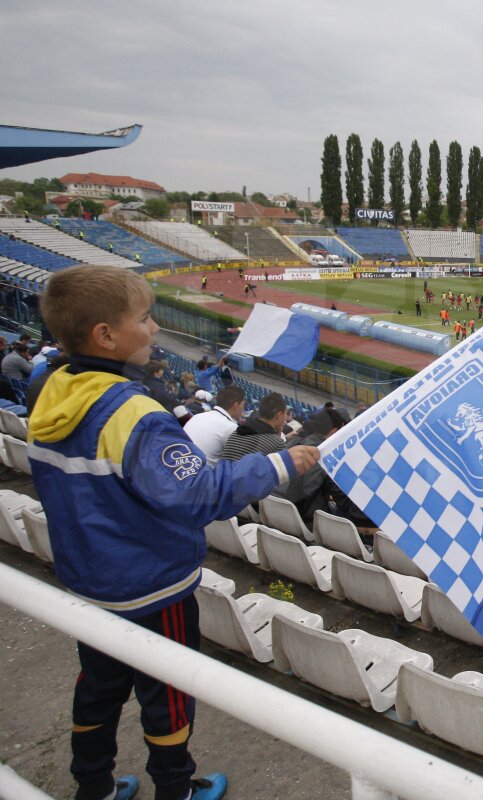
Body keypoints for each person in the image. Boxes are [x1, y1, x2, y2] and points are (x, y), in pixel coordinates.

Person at [29, 264, 319, 800]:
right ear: (106, 335)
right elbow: (198, 495)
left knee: (97, 690)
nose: (156, 328)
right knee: (167, 694)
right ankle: (176, 789)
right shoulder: (135, 414)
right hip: (150, 584)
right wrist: (279, 466)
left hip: (89, 582)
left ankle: (91, 787)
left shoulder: (50, 391)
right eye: (144, 318)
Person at [218, 392, 292, 462]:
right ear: (279, 415)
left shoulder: (237, 432)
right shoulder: (277, 444)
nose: (286, 417)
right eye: (285, 413)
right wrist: (277, 438)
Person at [183, 385, 245, 464]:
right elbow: (241, 461)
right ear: (236, 405)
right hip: (200, 472)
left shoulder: (198, 416)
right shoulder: (230, 428)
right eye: (243, 405)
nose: (243, 409)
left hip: (179, 464)